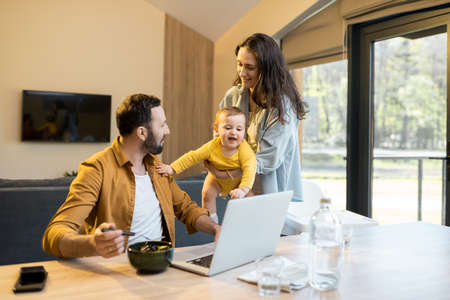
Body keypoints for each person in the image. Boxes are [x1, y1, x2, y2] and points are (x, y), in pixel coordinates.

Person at [42, 94, 220, 259]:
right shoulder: (97, 168)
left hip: (160, 265)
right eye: (162, 125)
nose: (168, 131)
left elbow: (186, 209)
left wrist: (216, 228)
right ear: (142, 133)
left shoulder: (156, 166)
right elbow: (54, 233)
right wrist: (93, 244)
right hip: (117, 272)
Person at [206, 33, 307, 202]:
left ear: (267, 70)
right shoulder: (233, 95)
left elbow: (269, 158)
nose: (242, 73)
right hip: (236, 190)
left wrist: (227, 170)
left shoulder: (283, 107)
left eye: (250, 67)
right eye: (239, 64)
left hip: (271, 193)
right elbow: (220, 135)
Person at [156, 107, 257, 223]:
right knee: (207, 193)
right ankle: (212, 222)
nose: (233, 132)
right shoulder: (212, 147)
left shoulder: (244, 150)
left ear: (245, 131)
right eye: (228, 128)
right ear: (216, 129)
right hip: (216, 180)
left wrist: (243, 189)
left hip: (239, 182)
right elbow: (192, 157)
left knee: (250, 198)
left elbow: (250, 169)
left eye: (239, 129)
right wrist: (172, 168)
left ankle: (249, 223)